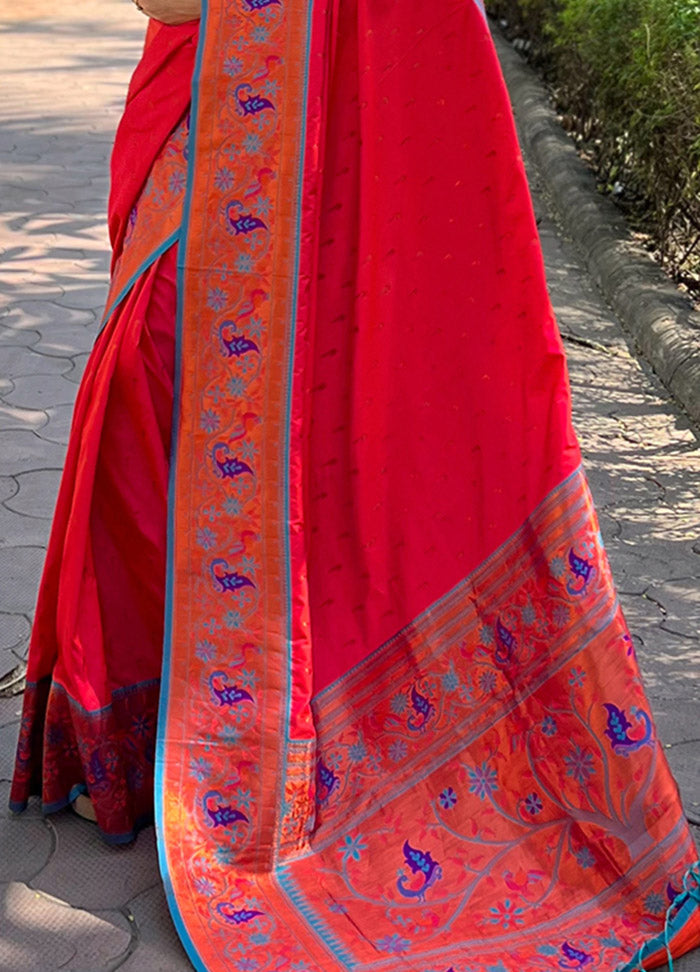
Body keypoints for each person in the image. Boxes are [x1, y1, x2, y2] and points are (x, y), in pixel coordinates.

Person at [9, 0, 700, 969]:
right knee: (150, 360)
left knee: (234, 375)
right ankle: (140, 727)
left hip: (340, 136)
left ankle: (261, 732)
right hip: (213, 103)